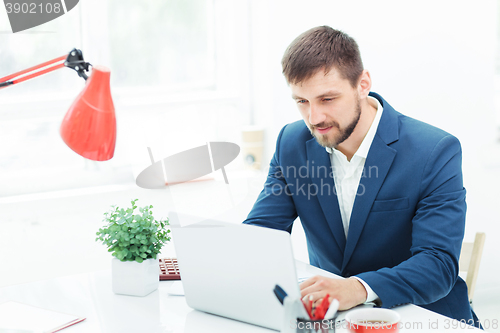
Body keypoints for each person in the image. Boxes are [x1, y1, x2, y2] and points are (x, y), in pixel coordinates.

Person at [243, 26, 480, 327]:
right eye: (302, 101)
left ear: (362, 84)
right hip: (333, 320)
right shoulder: (291, 144)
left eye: (327, 99)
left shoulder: (434, 151)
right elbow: (259, 234)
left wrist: (355, 288)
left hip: (425, 319)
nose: (314, 118)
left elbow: (437, 265)